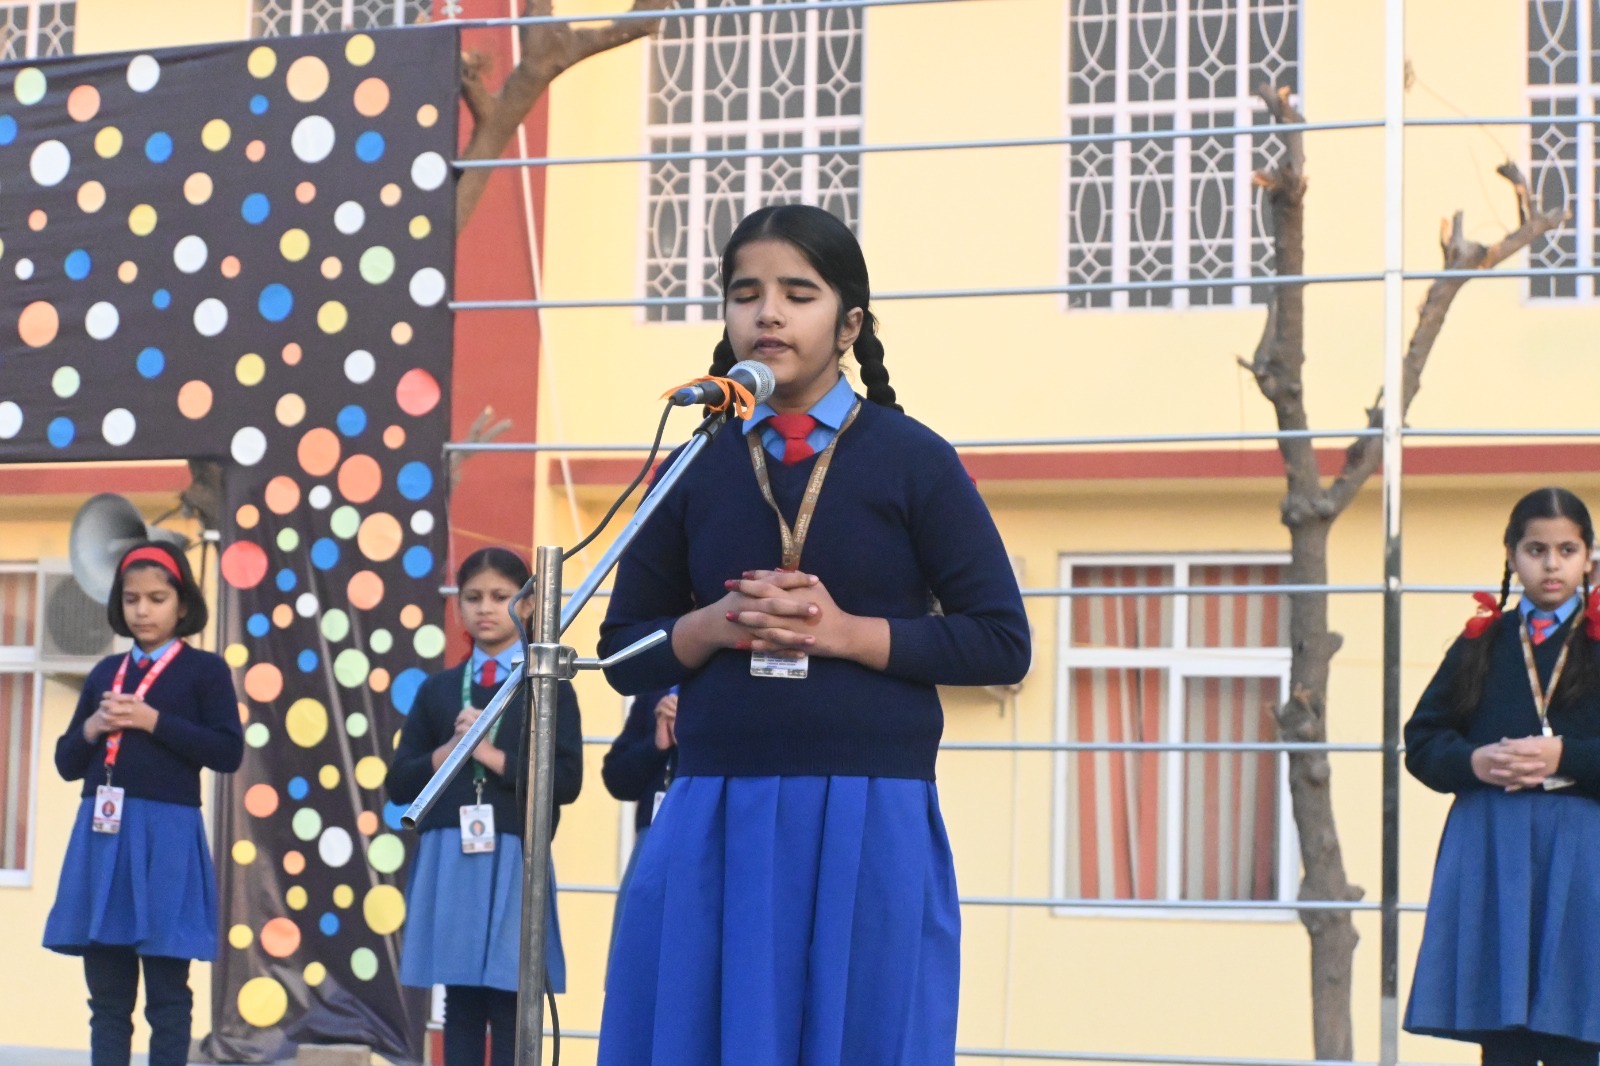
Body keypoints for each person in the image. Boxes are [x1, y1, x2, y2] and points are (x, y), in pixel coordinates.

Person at [595, 204, 1031, 1064]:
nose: (768, 314)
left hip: (870, 810)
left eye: (798, 294)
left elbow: (1000, 641)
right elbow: (621, 653)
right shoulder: (691, 465)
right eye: (745, 294)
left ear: (850, 325)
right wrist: (713, 625)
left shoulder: (914, 459)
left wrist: (844, 634)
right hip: (716, 807)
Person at [1404, 487, 1600, 1066]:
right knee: (1504, 1033)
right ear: (1512, 555)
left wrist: (1566, 757)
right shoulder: (1481, 644)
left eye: (1567, 550)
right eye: (1536, 550)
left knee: (1575, 1029)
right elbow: (1423, 740)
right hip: (1496, 856)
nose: (1551, 565)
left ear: (1589, 558)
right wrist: (1473, 763)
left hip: (1582, 857)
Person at [44, 541, 244, 1066]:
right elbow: (66, 763)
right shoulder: (104, 672)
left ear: (182, 604)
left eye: (157, 599)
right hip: (103, 837)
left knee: (168, 995)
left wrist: (154, 721)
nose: (143, 610)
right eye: (131, 599)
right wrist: (93, 726)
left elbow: (227, 752)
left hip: (167, 838)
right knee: (108, 998)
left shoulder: (205, 670)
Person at [386, 547, 583, 1066]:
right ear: (457, 607)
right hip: (451, 853)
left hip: (516, 852)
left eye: (501, 596)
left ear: (529, 604)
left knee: (511, 994)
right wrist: (448, 752)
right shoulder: (438, 690)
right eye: (473, 597)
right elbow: (399, 783)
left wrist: (490, 754)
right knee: (462, 1001)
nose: (486, 608)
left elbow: (566, 781)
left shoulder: (547, 686)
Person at [599, 686, 677, 956]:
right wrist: (656, 746)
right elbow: (617, 779)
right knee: (639, 946)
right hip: (652, 841)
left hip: (707, 841)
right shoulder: (655, 691)